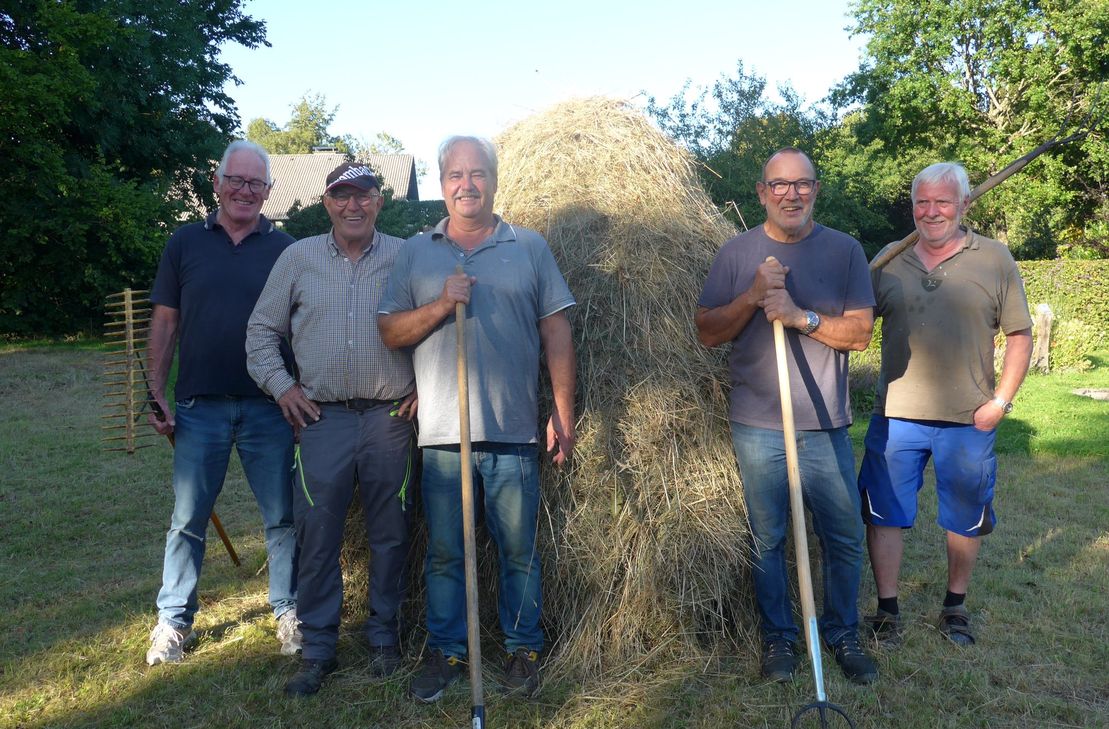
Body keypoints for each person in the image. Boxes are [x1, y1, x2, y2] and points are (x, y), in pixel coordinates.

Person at [378, 135, 576, 702]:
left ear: (494, 178)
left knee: (519, 549)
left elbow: (556, 332)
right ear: (442, 185)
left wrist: (563, 413)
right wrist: (441, 304)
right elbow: (390, 330)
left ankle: (522, 649)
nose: (467, 184)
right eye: (455, 175)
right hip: (442, 436)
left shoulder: (529, 247)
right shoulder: (416, 252)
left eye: (478, 173)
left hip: (513, 433)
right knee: (445, 552)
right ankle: (446, 651)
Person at [695, 148, 879, 684]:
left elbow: (861, 334)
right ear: (761, 192)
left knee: (843, 534)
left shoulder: (844, 252)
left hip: (823, 424)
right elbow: (707, 332)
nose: (790, 194)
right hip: (758, 424)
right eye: (779, 185)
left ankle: (842, 632)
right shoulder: (736, 254)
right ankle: (779, 638)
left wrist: (800, 316)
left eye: (801, 184)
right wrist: (752, 297)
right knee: (768, 537)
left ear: (815, 190)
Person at [246, 163, 418, 696]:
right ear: (326, 203)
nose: (353, 206)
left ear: (379, 201)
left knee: (391, 531)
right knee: (318, 533)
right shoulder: (297, 258)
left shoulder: (405, 256)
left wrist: (426, 384)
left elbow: (435, 323)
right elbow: (259, 331)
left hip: (391, 416)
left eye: (363, 195)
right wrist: (283, 388)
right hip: (322, 417)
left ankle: (384, 638)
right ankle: (318, 647)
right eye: (342, 196)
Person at [858, 162, 1033, 647]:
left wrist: (1001, 401)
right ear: (912, 205)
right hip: (895, 416)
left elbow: (1020, 334)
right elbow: (851, 325)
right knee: (884, 513)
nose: (931, 212)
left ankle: (954, 607)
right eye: (922, 202)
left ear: (964, 204)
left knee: (964, 515)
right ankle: (887, 610)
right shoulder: (888, 261)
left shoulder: (994, 258)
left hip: (968, 420)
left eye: (942, 202)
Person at [145, 140, 298, 665]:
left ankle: (288, 611)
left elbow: (304, 327)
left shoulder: (286, 249)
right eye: (237, 180)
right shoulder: (185, 243)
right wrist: (156, 391)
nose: (245, 191)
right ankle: (172, 622)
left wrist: (301, 393)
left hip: (268, 407)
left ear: (269, 191)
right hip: (199, 406)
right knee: (188, 519)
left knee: (281, 516)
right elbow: (166, 321)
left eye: (256, 184)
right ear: (217, 182)